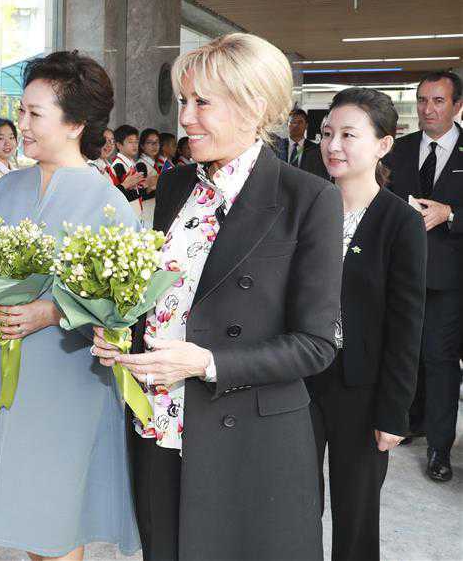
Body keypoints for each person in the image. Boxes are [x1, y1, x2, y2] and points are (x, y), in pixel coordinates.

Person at [92, 33, 343, 561]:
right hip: (159, 424)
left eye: (202, 102)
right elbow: (172, 297)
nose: (185, 118)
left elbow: (315, 344)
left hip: (247, 439)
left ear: (254, 106)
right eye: (184, 101)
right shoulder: (178, 186)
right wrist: (123, 332)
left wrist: (206, 361)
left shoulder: (308, 198)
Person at [0, 51, 140, 560]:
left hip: (67, 378)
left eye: (36, 114)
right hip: (10, 370)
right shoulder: (8, 188)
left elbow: (120, 306)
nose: (22, 125)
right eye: (22, 111)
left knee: (56, 519)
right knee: (29, 518)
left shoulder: (108, 204)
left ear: (76, 123)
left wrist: (52, 312)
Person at [310, 87, 426, 560]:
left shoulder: (400, 221)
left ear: (382, 145)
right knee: (295, 501)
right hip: (301, 378)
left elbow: (406, 323)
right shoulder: (308, 206)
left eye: (348, 135)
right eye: (327, 133)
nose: (333, 145)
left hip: (362, 387)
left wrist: (393, 412)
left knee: (356, 511)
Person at [383, 70, 463, 482]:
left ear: (457, 106)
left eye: (437, 101)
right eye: (422, 101)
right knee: (405, 354)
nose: (428, 109)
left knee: (441, 359)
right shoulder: (400, 149)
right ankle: (411, 420)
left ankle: (439, 447)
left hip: (450, 281)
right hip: (402, 275)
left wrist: (450, 214)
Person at [275, 108, 330, 180]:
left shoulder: (316, 149)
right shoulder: (277, 147)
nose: (296, 125)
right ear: (287, 125)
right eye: (292, 122)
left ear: (306, 125)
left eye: (300, 122)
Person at [111, 124, 145, 216]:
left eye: (136, 142)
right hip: (126, 215)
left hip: (136, 213)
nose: (134, 145)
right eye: (130, 142)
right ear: (118, 145)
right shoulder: (118, 165)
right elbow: (119, 195)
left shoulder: (132, 164)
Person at [137, 129, 163, 225]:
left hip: (155, 209)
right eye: (150, 142)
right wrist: (152, 186)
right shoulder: (141, 165)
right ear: (142, 146)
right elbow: (141, 194)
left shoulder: (155, 164)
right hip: (146, 211)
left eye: (157, 142)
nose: (154, 145)